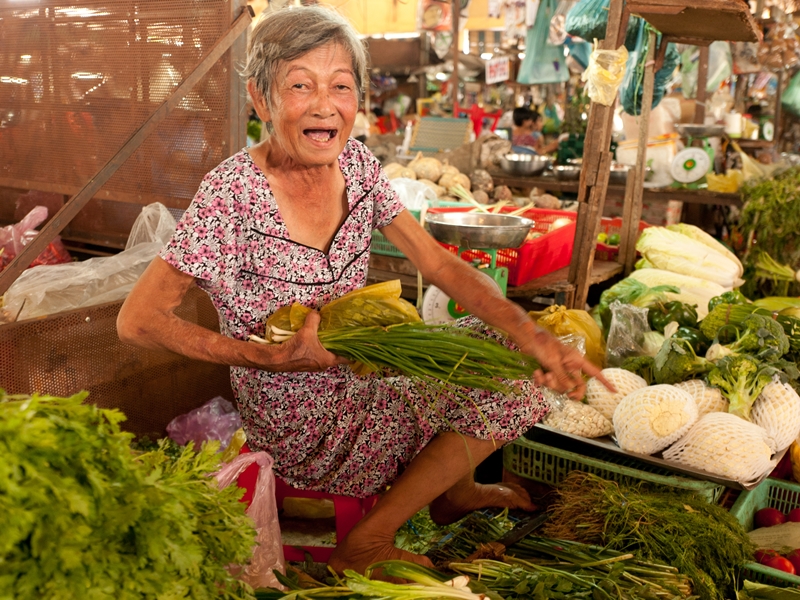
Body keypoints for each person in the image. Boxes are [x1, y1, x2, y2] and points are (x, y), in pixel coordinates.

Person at [117, 4, 611, 576]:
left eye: (341, 85)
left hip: (365, 378)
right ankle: (370, 539)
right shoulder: (232, 193)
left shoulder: (355, 164)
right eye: (300, 85)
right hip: (301, 422)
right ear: (260, 98)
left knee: (502, 347)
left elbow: (439, 264)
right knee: (515, 388)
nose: (324, 105)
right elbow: (139, 320)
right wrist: (264, 357)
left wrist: (530, 333)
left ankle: (452, 491)